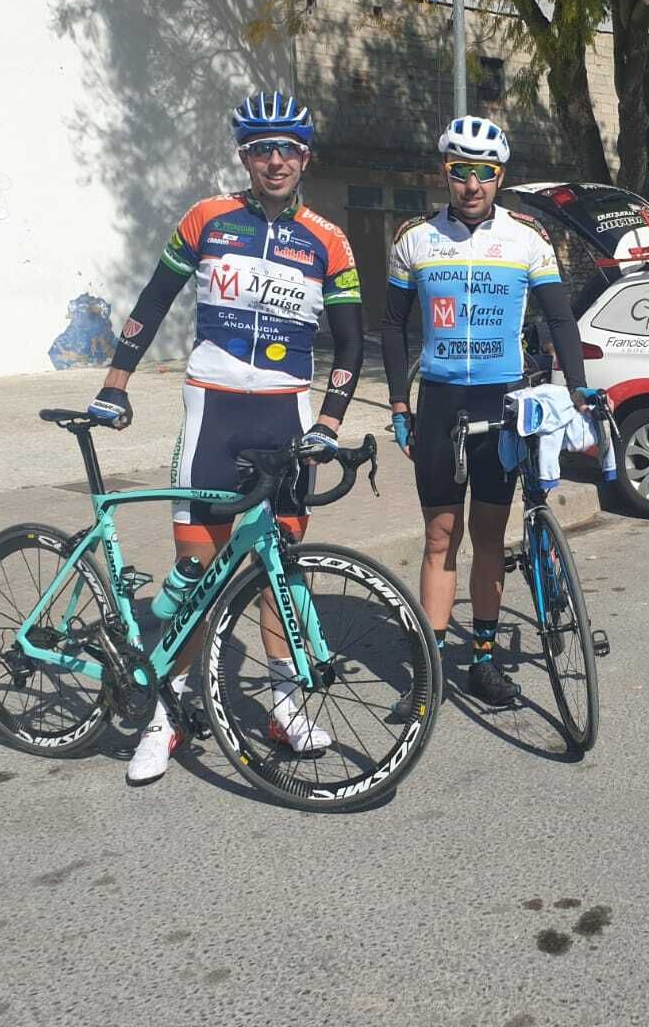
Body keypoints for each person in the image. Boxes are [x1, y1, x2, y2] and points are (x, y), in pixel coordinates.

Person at [86, 91, 366, 786]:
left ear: (306, 157)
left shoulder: (328, 239)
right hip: (213, 411)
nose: (276, 161)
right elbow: (154, 300)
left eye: (288, 149)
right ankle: (165, 714)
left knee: (283, 568)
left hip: (286, 415)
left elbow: (352, 341)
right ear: (245, 156)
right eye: (262, 149)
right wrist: (115, 384)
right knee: (195, 571)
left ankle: (283, 706)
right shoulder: (207, 218)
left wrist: (330, 422)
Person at [380, 115, 591, 707]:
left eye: (484, 173)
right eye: (460, 171)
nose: (472, 184)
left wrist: (577, 390)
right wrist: (399, 403)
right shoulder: (415, 238)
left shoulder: (528, 238)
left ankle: (481, 660)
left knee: (490, 534)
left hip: (502, 401)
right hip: (440, 401)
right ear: (445, 172)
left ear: (499, 177)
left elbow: (559, 319)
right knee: (439, 536)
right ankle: (428, 671)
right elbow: (393, 326)